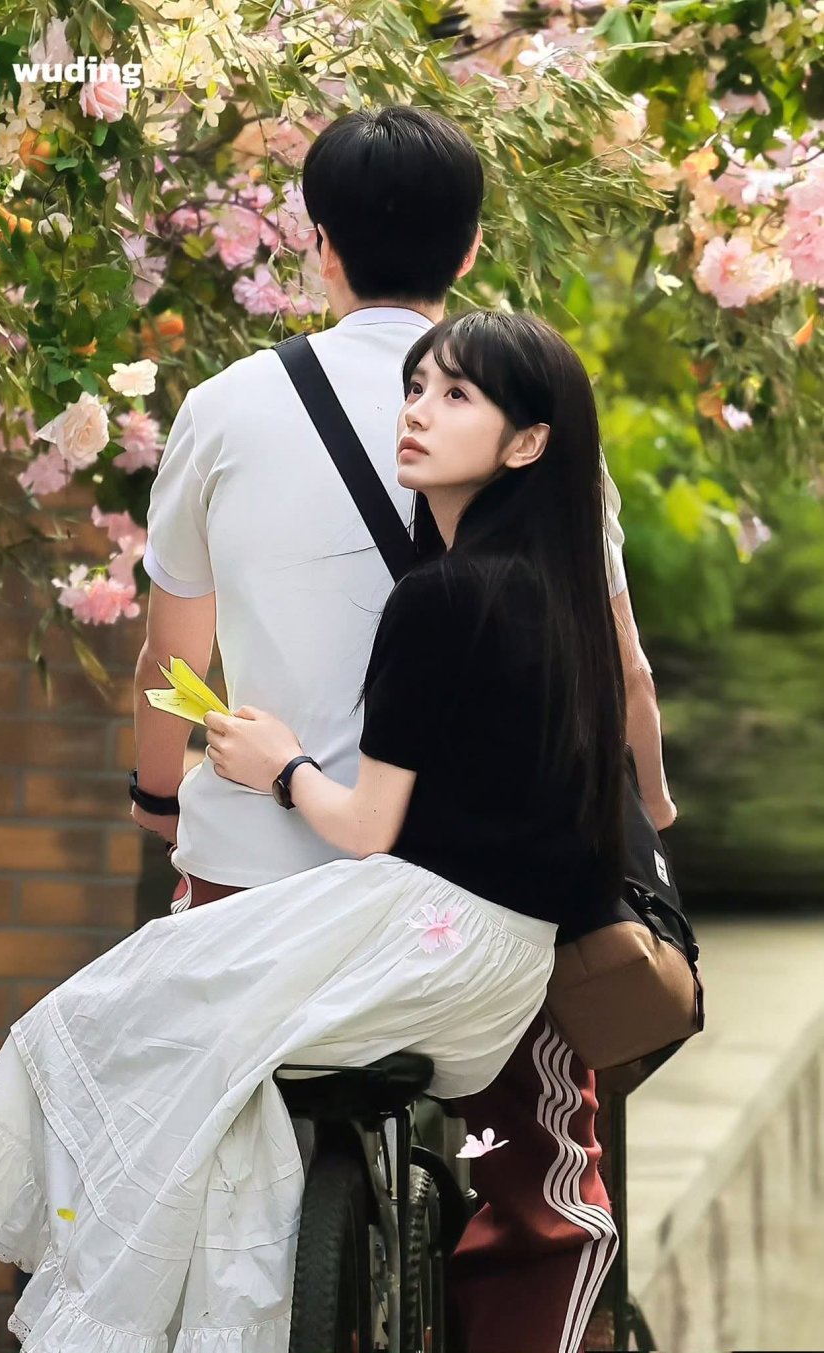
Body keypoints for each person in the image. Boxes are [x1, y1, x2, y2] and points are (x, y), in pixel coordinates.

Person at [0, 308, 625, 1350]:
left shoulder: (441, 599)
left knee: (100, 1022)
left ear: (526, 444)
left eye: (456, 396)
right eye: (417, 387)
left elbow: (368, 826)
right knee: (186, 1042)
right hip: (501, 966)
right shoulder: (556, 596)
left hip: (421, 937)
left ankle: (161, 1308)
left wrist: (279, 765)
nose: (417, 412)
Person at [130, 107, 675, 1353]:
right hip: (476, 899)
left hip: (259, 879)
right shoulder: (530, 414)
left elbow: (173, 663)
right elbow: (623, 675)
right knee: (537, 1174)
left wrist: (161, 800)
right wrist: (650, 821)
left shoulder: (223, 407)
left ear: (317, 244)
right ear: (471, 247)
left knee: (199, 1149)